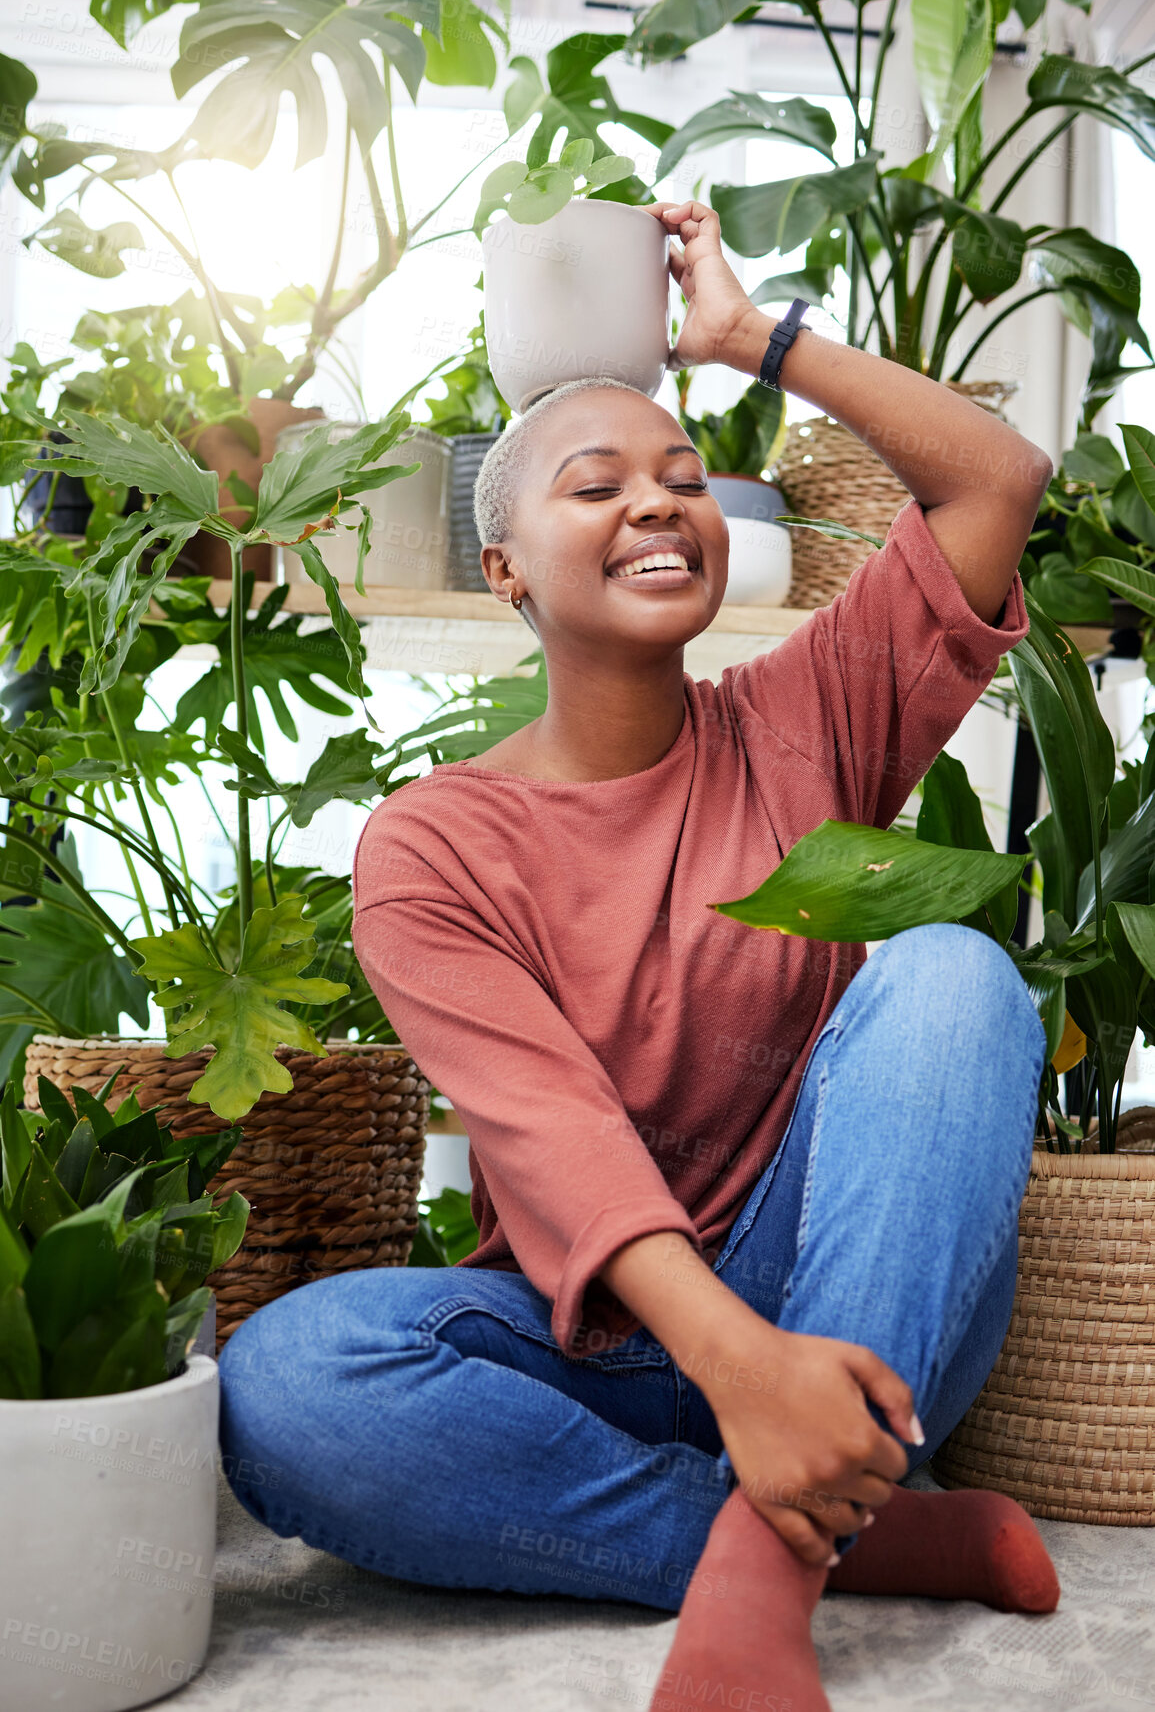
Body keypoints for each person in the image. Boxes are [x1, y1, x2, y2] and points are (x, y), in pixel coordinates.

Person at [219, 200, 1059, 1712]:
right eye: (595, 485)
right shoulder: (433, 847)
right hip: (588, 1349)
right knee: (289, 1387)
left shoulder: (809, 717)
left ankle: (762, 1576)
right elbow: (560, 1152)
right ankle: (836, 1531)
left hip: (841, 1312)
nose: (658, 504)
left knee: (951, 975)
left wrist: (751, 339)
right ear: (506, 573)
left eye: (684, 478)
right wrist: (743, 1384)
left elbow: (996, 474)